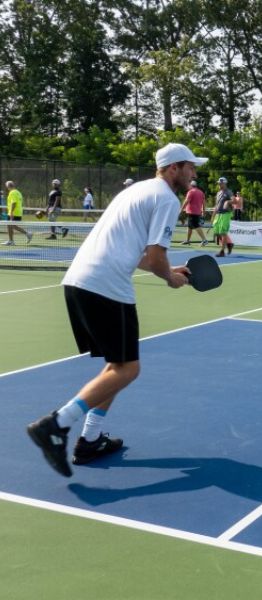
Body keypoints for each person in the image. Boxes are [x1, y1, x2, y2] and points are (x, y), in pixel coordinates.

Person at [25, 142, 204, 477]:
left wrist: (169, 269)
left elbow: (139, 254)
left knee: (116, 366)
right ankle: (56, 424)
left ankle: (90, 439)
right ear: (174, 168)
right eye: (190, 166)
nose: (194, 172)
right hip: (106, 285)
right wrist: (170, 278)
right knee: (128, 369)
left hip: (80, 280)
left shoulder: (137, 191)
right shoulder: (166, 198)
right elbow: (154, 255)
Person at [3, 181, 33, 245]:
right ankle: (11, 241)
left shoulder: (12, 192)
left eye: (6, 187)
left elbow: (14, 203)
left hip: (14, 213)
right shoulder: (18, 192)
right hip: (18, 213)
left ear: (8, 186)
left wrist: (11, 212)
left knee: (11, 226)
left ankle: (27, 233)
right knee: (10, 226)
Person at [211, 177, 234, 256]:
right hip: (218, 214)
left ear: (225, 183)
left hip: (226, 214)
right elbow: (216, 205)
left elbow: (234, 200)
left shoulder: (229, 192)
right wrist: (213, 215)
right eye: (219, 183)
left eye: (221, 183)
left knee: (223, 232)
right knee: (217, 232)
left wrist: (228, 201)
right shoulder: (218, 193)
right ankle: (229, 244)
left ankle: (222, 251)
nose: (219, 184)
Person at [180, 180, 208, 246]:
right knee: (190, 226)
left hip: (192, 212)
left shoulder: (191, 192)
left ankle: (204, 240)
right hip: (197, 212)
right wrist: (203, 211)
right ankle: (187, 240)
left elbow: (187, 201)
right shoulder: (201, 192)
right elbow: (204, 203)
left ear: (191, 186)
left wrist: (181, 209)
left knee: (196, 226)